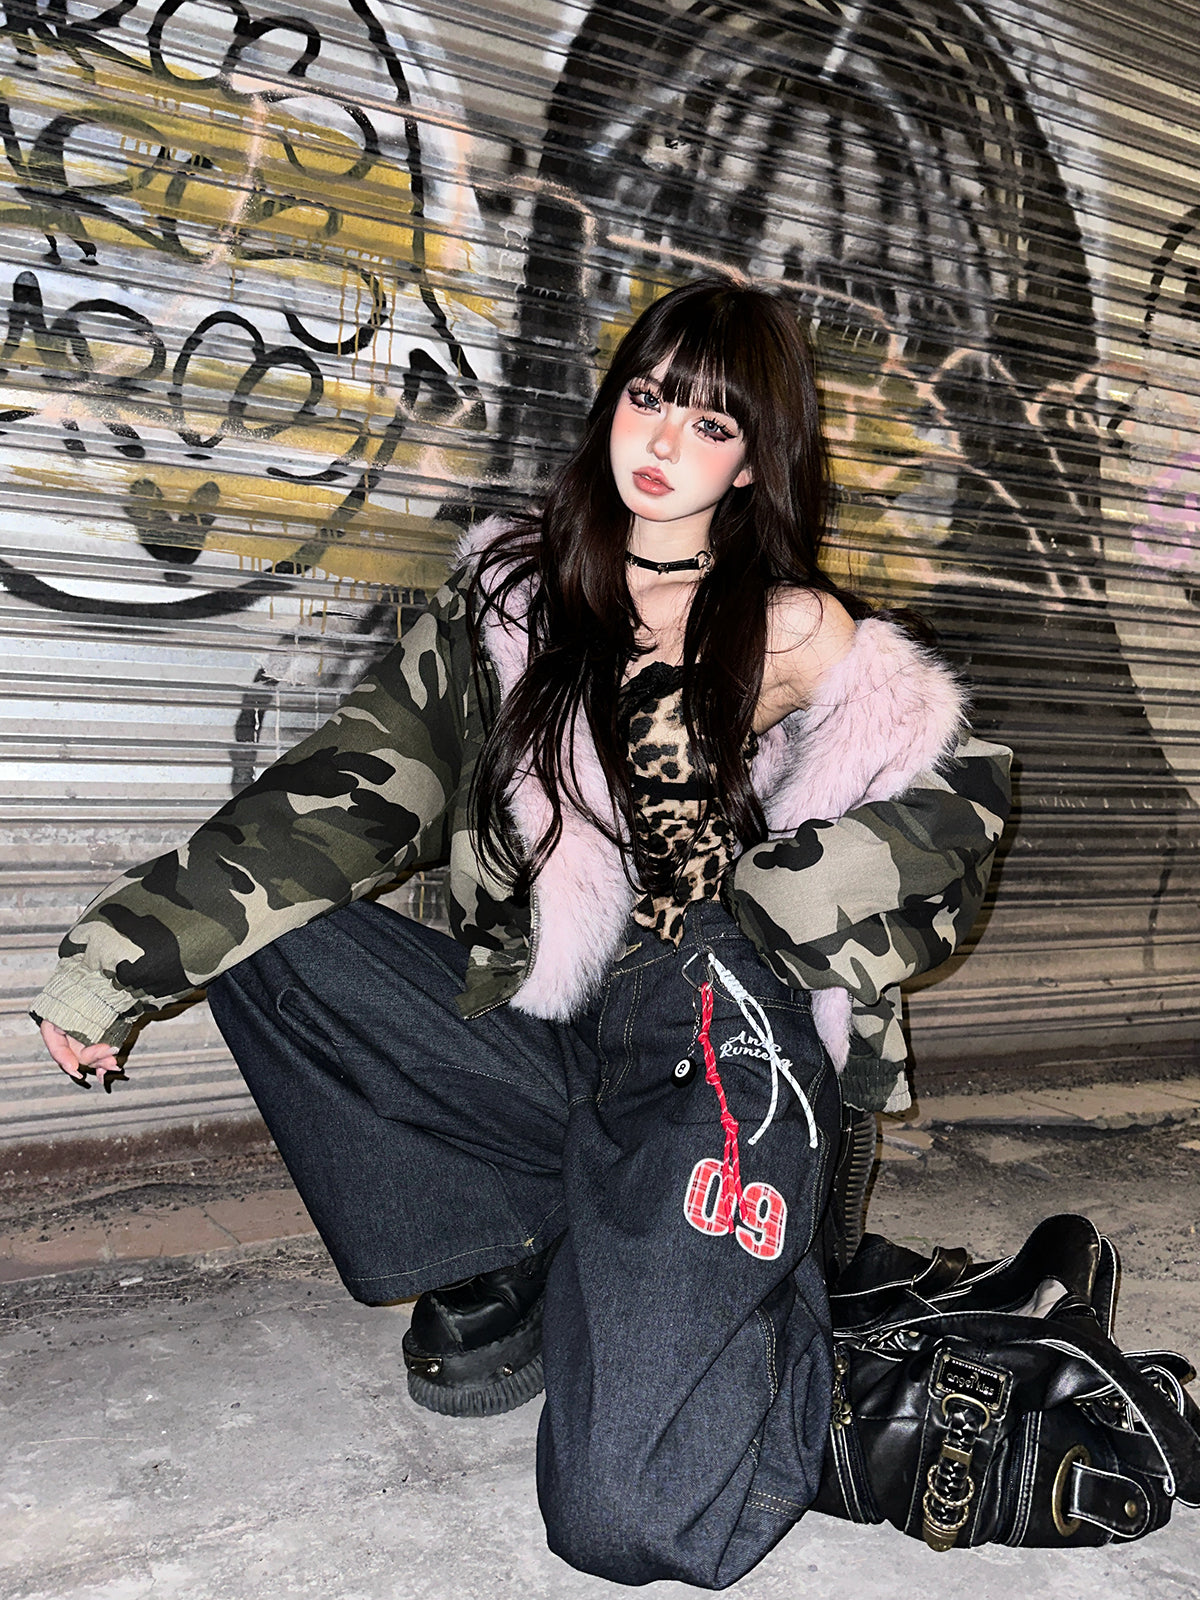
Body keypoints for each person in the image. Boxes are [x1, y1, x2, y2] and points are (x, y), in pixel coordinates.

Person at [32, 278, 1011, 1589]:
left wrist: (783, 892)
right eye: (649, 397)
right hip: (555, 1038)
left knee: (625, 1516)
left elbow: (948, 831)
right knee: (273, 944)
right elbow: (336, 797)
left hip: (724, 1064)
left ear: (752, 460)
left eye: (712, 423)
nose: (663, 441)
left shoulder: (806, 634)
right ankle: (533, 1245)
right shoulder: (510, 608)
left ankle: (793, 1339)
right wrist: (120, 962)